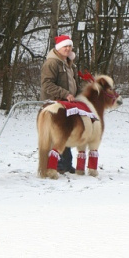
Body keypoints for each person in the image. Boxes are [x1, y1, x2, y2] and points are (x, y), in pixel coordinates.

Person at [40, 34, 78, 173]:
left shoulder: (68, 63)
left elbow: (73, 83)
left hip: (66, 105)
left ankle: (66, 164)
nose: (67, 49)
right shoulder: (52, 63)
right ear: (58, 48)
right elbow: (47, 84)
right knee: (58, 135)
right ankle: (58, 164)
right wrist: (65, 94)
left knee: (66, 133)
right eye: (65, 46)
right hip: (53, 105)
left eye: (69, 46)